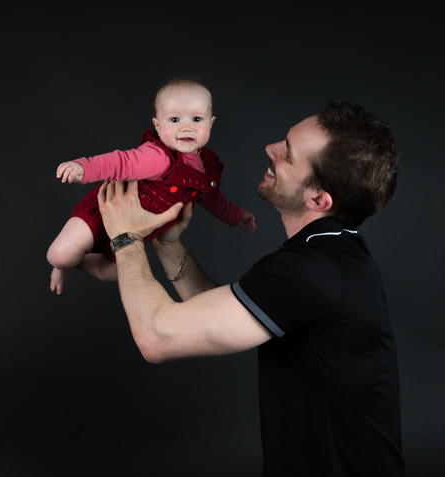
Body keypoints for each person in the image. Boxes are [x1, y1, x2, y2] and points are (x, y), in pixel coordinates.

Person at [98, 101, 402, 475]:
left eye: (288, 155)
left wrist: (125, 237)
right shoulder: (332, 253)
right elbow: (218, 312)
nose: (271, 150)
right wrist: (167, 243)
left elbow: (156, 337)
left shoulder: (314, 269)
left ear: (319, 200)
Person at [46, 78, 255, 294]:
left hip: (133, 232)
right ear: (157, 125)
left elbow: (213, 199)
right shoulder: (158, 157)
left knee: (116, 274)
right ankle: (63, 265)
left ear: (210, 123)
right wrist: (84, 167)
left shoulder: (207, 168)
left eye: (197, 119)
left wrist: (236, 216)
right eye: (174, 119)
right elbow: (120, 162)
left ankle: (76, 259)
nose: (186, 127)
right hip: (104, 214)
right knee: (59, 255)